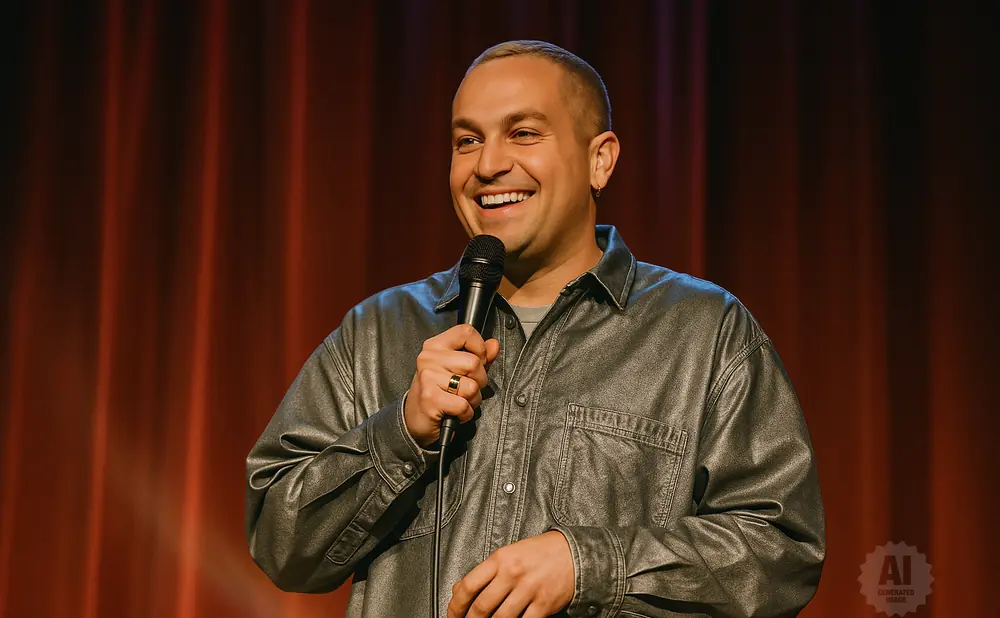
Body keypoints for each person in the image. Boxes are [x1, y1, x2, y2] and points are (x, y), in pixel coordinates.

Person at [245, 40, 824, 618]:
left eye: (523, 133)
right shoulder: (378, 331)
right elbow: (280, 544)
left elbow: (781, 554)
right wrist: (402, 433)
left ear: (600, 160)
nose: (488, 164)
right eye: (467, 141)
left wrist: (589, 565)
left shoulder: (703, 331)